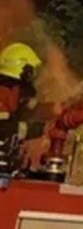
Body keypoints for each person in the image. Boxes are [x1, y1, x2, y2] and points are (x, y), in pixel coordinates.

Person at [0, 42, 46, 173]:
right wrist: (41, 129)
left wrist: (64, 108)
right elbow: (6, 128)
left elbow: (33, 106)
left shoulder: (13, 101)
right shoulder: (5, 119)